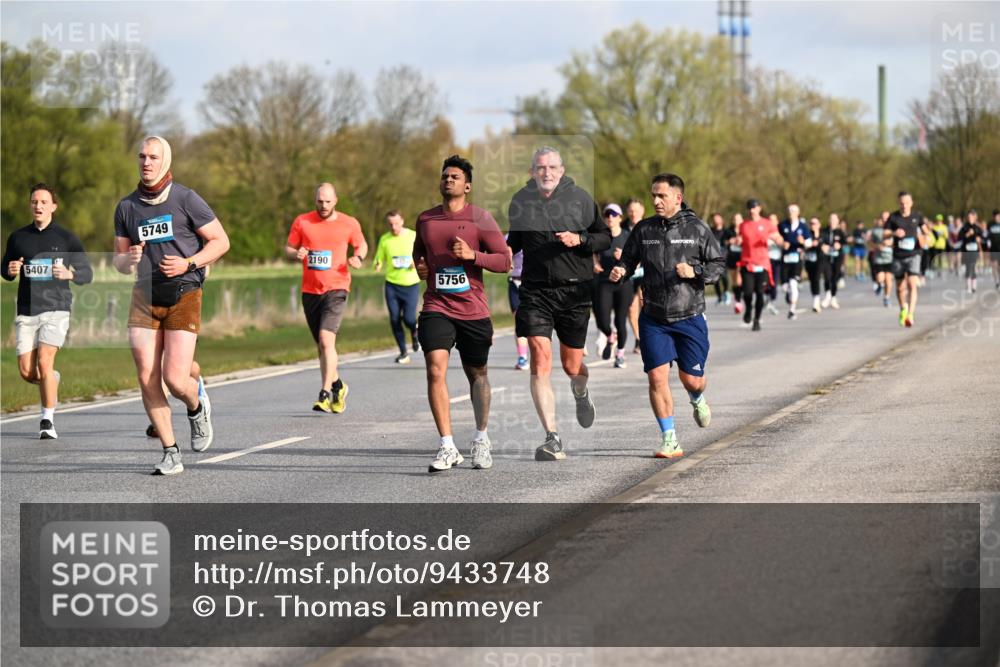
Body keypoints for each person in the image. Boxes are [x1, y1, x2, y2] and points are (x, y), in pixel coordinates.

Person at [114, 136, 230, 475]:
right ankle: (170, 451)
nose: (146, 162)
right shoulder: (126, 207)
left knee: (175, 378)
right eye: (142, 157)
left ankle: (196, 405)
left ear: (165, 161)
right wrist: (128, 258)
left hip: (184, 291)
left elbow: (221, 241)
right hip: (144, 296)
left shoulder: (186, 199)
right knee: (147, 376)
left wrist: (189, 263)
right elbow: (119, 263)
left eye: (153, 157)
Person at [609, 173, 724, 459]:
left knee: (691, 380)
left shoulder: (697, 229)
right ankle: (669, 438)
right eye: (653, 196)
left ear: (677, 197)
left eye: (662, 196)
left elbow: (718, 264)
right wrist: (621, 270)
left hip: (689, 315)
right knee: (657, 377)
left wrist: (696, 272)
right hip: (654, 317)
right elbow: (628, 259)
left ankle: (697, 397)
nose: (656, 201)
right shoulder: (645, 230)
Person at [507, 146, 610, 461]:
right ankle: (552, 437)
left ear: (562, 171)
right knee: (540, 359)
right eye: (540, 168)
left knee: (571, 365)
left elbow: (604, 236)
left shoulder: (580, 199)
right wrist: (494, 251)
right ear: (532, 172)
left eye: (552, 167)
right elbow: (513, 242)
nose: (546, 173)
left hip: (574, 293)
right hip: (535, 291)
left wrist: (580, 241)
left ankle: (580, 392)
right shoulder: (520, 202)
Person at [413, 155, 511, 472]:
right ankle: (447, 446)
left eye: (455, 176)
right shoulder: (426, 220)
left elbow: (504, 261)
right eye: (445, 176)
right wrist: (420, 267)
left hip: (472, 308)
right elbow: (419, 252)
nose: (448, 180)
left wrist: (473, 255)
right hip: (436, 305)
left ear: (467, 185)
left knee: (477, 375)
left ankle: (481, 438)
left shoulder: (480, 219)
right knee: (435, 369)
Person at [3, 183, 93, 439]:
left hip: (57, 307)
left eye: (43, 202)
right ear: (30, 205)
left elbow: (87, 273)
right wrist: (9, 270)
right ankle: (52, 379)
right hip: (27, 310)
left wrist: (69, 273)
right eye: (34, 202)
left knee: (44, 360)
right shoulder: (18, 238)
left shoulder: (66, 238)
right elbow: (5, 269)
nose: (38, 206)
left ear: (53, 206)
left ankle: (47, 421)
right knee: (27, 371)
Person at [286, 183, 367, 412]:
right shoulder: (303, 221)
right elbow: (289, 248)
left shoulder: (349, 223)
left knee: (325, 340)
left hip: (337, 288)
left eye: (328, 201)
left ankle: (324, 393)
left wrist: (358, 258)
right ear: (315, 200)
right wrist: (297, 253)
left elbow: (362, 245)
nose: (323, 205)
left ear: (336, 201)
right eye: (320, 201)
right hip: (310, 291)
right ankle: (339, 386)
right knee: (323, 347)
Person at [373, 209, 420, 364]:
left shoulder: (413, 236)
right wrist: (378, 264)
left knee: (408, 318)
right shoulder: (384, 239)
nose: (393, 227)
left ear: (402, 221)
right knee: (394, 319)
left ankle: (414, 330)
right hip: (392, 284)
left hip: (411, 283)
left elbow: (423, 255)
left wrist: (417, 262)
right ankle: (403, 352)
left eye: (396, 223)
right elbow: (378, 258)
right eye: (390, 224)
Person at [593, 203, 632, 368]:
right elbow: (592, 252)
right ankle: (610, 336)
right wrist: (594, 263)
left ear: (620, 218)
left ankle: (620, 354)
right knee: (602, 320)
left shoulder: (628, 236)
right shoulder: (600, 236)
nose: (610, 217)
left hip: (624, 283)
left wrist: (623, 256)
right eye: (607, 214)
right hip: (605, 281)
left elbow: (637, 261)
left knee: (620, 321)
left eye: (614, 214)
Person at [739, 199, 782, 331]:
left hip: (762, 264)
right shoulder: (744, 225)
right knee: (747, 293)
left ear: (759, 208)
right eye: (750, 208)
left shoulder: (767, 224)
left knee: (759, 293)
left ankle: (757, 319)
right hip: (747, 262)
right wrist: (737, 240)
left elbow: (779, 238)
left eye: (754, 207)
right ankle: (748, 310)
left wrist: (776, 239)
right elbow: (740, 238)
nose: (752, 210)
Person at [886, 191, 926, 327]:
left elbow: (926, 231)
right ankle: (903, 308)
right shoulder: (893, 217)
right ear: (899, 203)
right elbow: (884, 234)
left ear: (911, 203)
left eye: (906, 203)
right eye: (901, 203)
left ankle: (911, 314)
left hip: (914, 254)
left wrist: (926, 238)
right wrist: (893, 233)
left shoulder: (917, 216)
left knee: (912, 283)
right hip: (898, 255)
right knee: (900, 287)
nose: (904, 205)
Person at [778, 204, 810, 320]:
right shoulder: (782, 225)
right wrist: (781, 243)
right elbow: (776, 238)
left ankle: (792, 309)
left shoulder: (803, 226)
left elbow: (809, 242)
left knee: (793, 284)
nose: (791, 212)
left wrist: (803, 242)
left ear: (798, 212)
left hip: (797, 258)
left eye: (793, 211)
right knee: (785, 287)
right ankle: (788, 293)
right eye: (789, 210)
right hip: (785, 259)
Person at [624, 198, 645, 352]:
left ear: (642, 211)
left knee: (646, 304)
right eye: (631, 210)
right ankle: (638, 339)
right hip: (629, 274)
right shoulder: (622, 227)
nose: (633, 214)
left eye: (636, 210)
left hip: (646, 272)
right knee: (631, 308)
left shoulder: (649, 226)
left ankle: (648, 336)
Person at [507, 240, 529, 370]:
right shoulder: (509, 237)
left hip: (532, 281)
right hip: (515, 282)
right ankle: (523, 357)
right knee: (519, 320)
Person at [819, 213, 847, 310]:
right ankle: (827, 295)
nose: (832, 221)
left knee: (834, 277)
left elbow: (845, 242)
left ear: (837, 221)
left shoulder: (840, 232)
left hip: (837, 257)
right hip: (826, 257)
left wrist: (839, 245)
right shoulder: (824, 231)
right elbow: (820, 240)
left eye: (834, 219)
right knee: (827, 276)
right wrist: (823, 246)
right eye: (831, 219)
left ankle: (833, 297)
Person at [869, 214, 894, 307]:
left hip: (890, 257)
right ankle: (879, 285)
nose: (885, 220)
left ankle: (887, 297)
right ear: (880, 220)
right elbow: (870, 243)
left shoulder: (893, 230)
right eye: (883, 218)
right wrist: (877, 246)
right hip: (879, 258)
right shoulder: (876, 231)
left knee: (888, 279)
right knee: (880, 278)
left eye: (887, 218)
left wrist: (891, 243)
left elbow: (899, 241)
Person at [709, 213, 732, 305]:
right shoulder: (710, 231)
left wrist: (730, 241)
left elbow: (734, 238)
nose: (716, 221)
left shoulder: (727, 231)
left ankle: (726, 292)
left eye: (718, 218)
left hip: (724, 256)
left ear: (722, 220)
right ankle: (719, 296)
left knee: (725, 276)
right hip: (713, 257)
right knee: (715, 278)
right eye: (714, 219)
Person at [802, 217, 825, 313]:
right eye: (811, 223)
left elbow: (826, 245)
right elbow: (803, 244)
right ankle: (815, 297)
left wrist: (820, 244)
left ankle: (816, 300)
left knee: (816, 278)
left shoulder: (823, 235)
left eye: (815, 223)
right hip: (809, 260)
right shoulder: (807, 235)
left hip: (819, 260)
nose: (813, 225)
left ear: (819, 225)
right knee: (812, 280)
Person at [958, 211, 984, 293]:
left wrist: (979, 239)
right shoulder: (964, 227)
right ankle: (968, 287)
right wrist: (967, 234)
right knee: (968, 267)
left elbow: (983, 237)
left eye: (971, 217)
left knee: (973, 267)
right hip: (966, 250)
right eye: (968, 217)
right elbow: (960, 237)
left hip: (974, 250)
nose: (970, 219)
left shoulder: (977, 227)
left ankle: (974, 286)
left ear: (974, 217)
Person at [726, 213, 745, 314]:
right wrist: (730, 241)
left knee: (738, 280)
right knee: (734, 282)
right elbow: (723, 242)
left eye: (738, 219)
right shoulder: (729, 231)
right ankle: (738, 299)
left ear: (742, 220)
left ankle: (738, 301)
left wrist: (742, 241)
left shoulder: (745, 230)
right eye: (735, 219)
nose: (737, 221)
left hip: (742, 257)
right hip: (732, 257)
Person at [988, 209, 1000, 290]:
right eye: (995, 216)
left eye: (998, 216)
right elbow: (987, 235)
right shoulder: (990, 224)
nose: (997, 218)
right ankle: (996, 282)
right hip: (993, 248)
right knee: (994, 266)